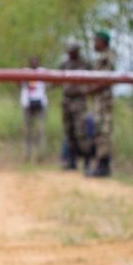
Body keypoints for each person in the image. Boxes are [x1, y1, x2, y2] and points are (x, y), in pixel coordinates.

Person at [57, 41, 91, 172]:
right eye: (68, 50)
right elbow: (56, 81)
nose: (69, 52)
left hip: (79, 101)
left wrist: (84, 90)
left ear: (77, 50)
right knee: (69, 131)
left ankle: (87, 161)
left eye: (72, 50)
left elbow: (93, 80)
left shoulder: (85, 64)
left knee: (81, 131)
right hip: (66, 101)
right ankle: (71, 161)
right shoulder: (64, 65)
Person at [88, 31, 116, 178]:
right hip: (99, 101)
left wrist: (90, 90)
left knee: (103, 132)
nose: (94, 44)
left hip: (103, 102)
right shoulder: (101, 58)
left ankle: (103, 165)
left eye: (97, 41)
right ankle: (100, 164)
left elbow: (105, 80)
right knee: (98, 132)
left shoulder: (106, 58)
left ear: (103, 42)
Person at [21, 55, 49, 162]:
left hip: (40, 104)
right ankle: (26, 155)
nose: (34, 62)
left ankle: (40, 156)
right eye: (31, 60)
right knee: (27, 131)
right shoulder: (25, 72)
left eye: (35, 60)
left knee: (40, 130)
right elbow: (18, 83)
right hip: (27, 104)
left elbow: (51, 83)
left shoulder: (43, 71)